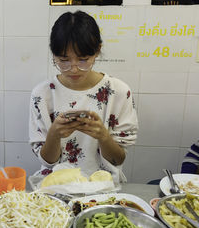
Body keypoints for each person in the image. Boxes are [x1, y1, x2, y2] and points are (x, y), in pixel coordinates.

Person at [29, 11, 138, 182]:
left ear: (97, 51)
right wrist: (54, 135)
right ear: (53, 55)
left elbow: (118, 160)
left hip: (104, 185)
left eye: (83, 59)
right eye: (63, 60)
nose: (73, 69)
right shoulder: (42, 95)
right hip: (56, 184)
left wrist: (103, 136)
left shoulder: (119, 92)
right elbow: (48, 163)